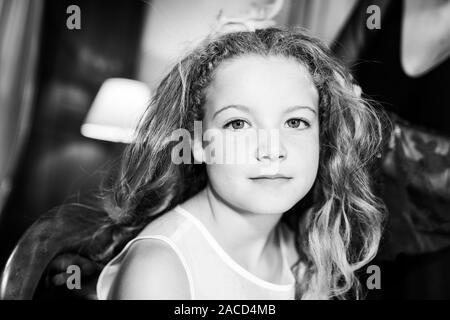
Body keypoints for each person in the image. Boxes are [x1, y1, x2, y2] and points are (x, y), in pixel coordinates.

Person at [92, 27, 388, 300]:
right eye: (238, 124)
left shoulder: (307, 252)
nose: (272, 150)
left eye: (295, 121)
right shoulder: (160, 270)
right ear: (196, 143)